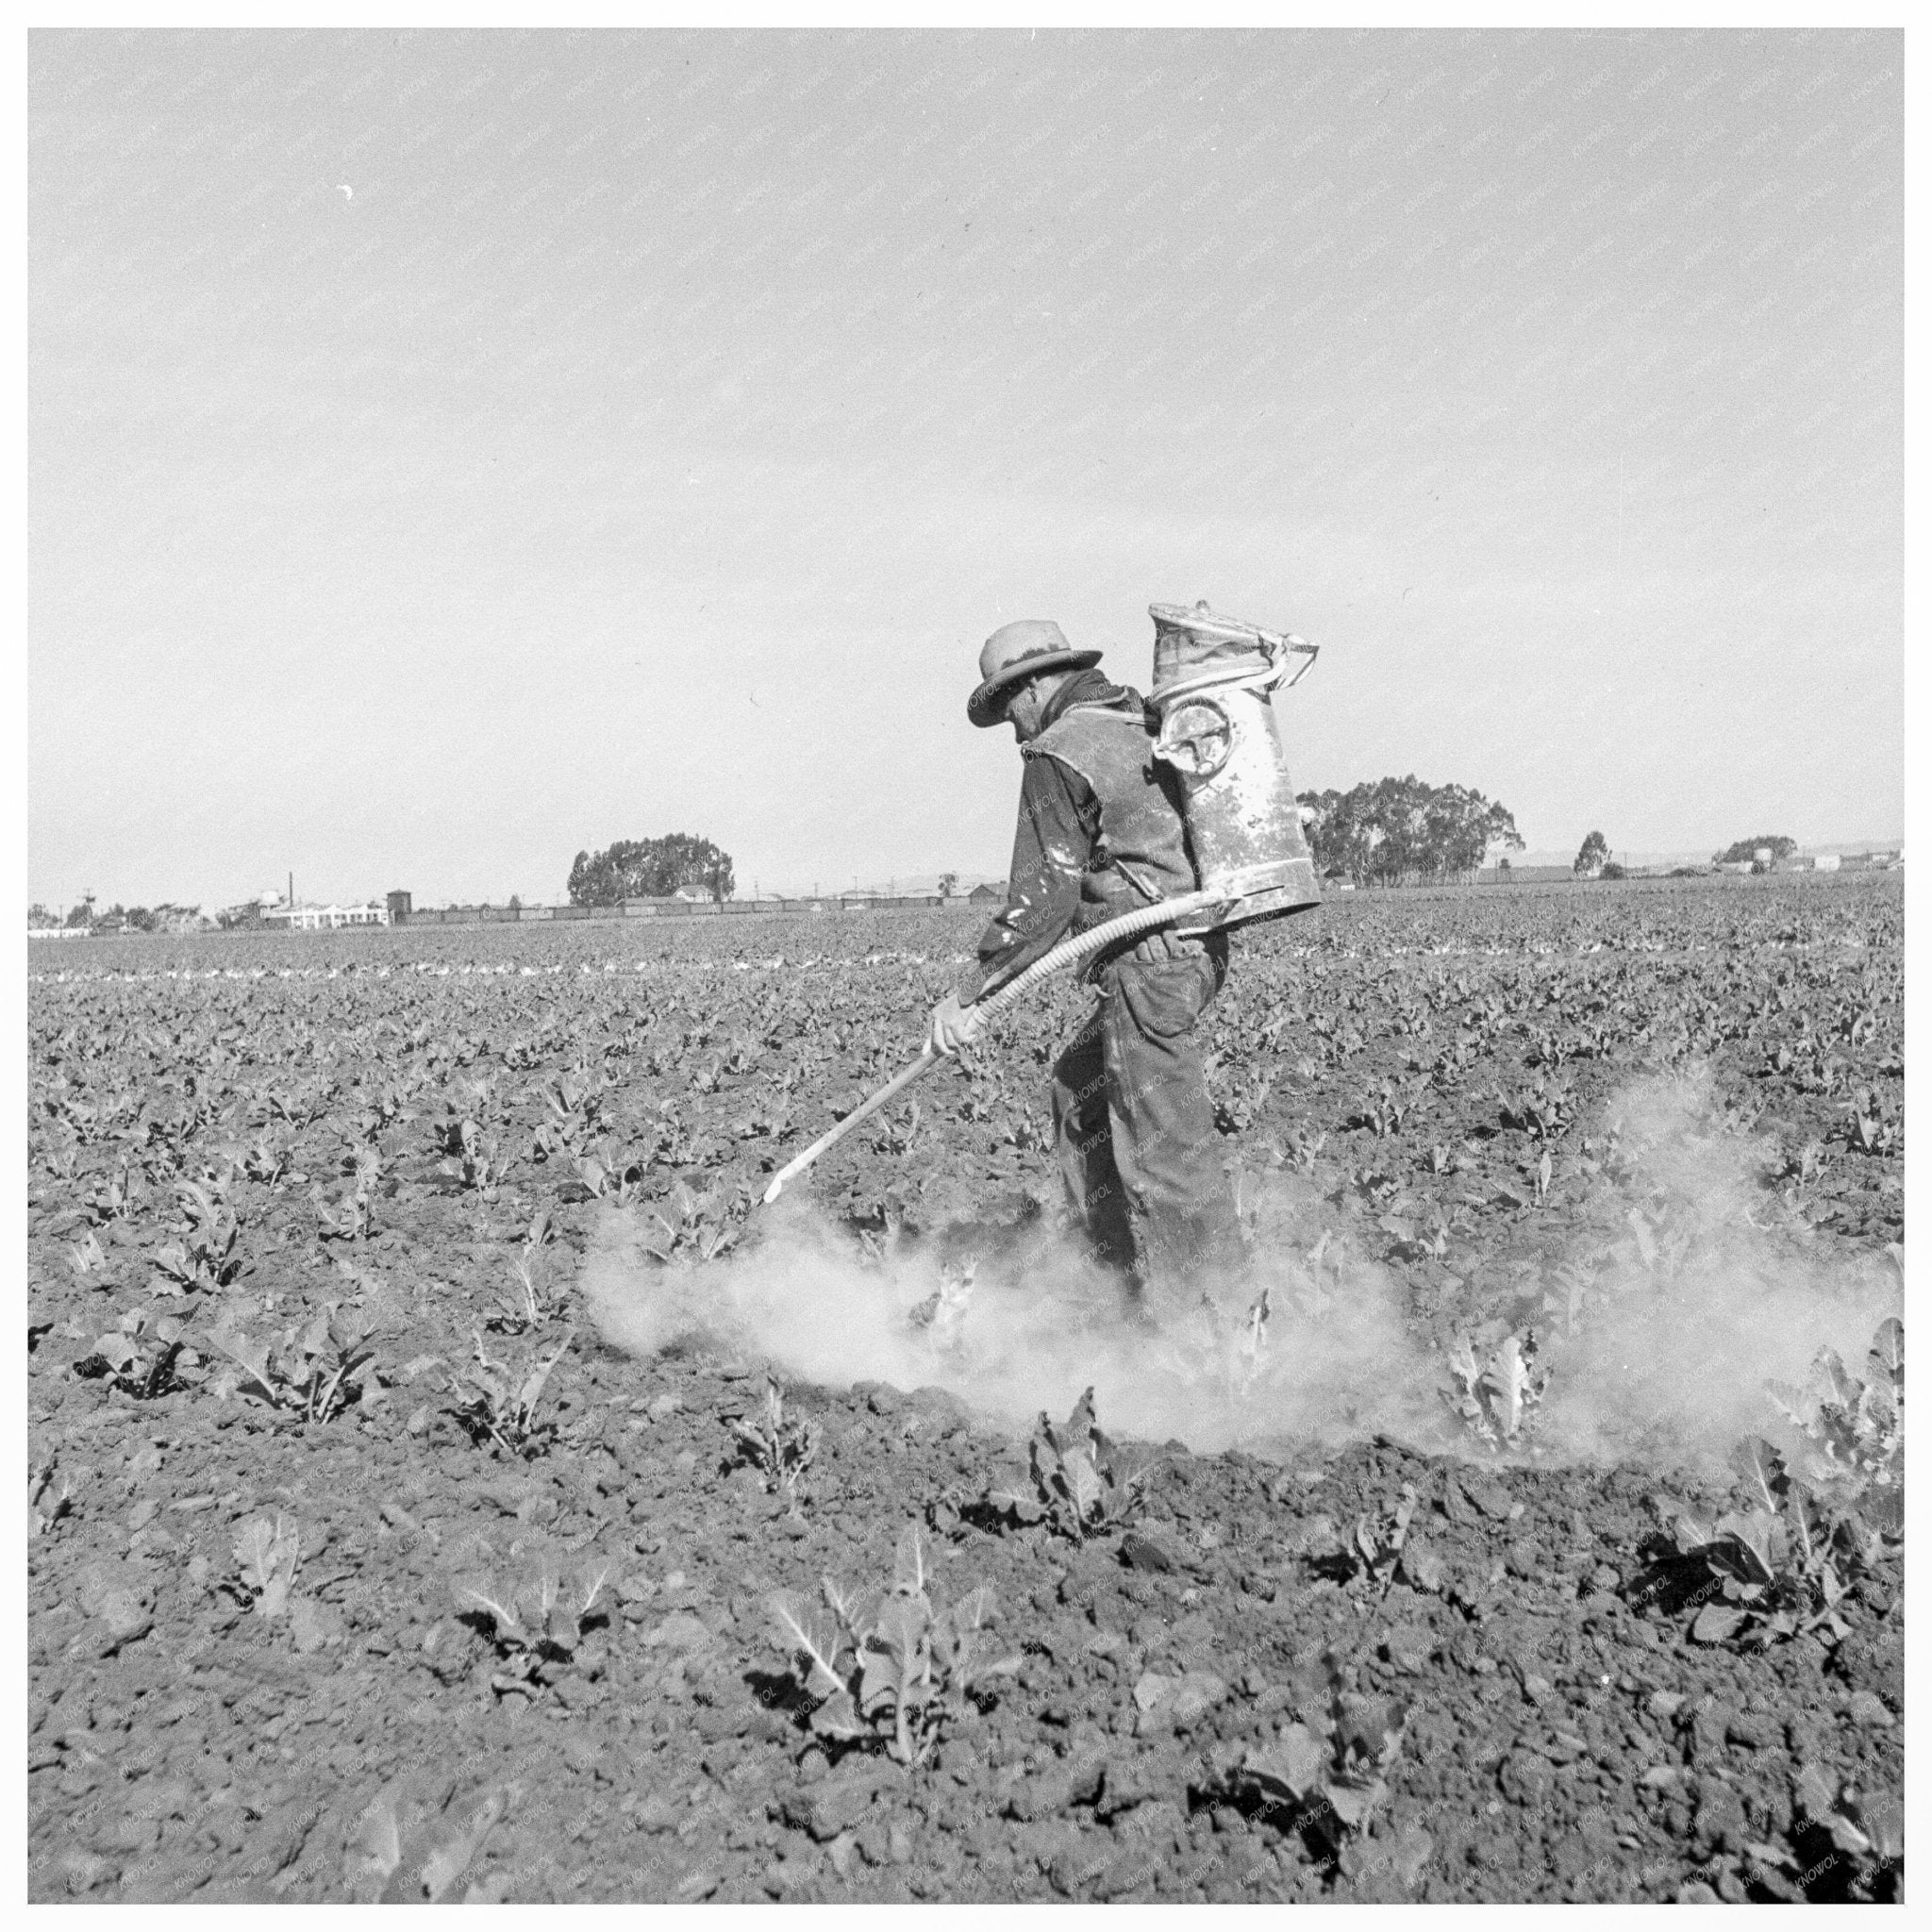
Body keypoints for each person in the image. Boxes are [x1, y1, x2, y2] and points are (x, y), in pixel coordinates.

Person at [928, 618, 1242, 1320]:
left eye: (1009, 704)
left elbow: (1041, 900)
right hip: (1193, 953)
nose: (1011, 727)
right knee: (1081, 1091)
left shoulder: (1060, 752)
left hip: (1149, 964)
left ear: (1036, 683)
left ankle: (1210, 1327)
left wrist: (968, 994)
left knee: (1165, 1152)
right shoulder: (1134, 716)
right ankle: (1116, 1280)